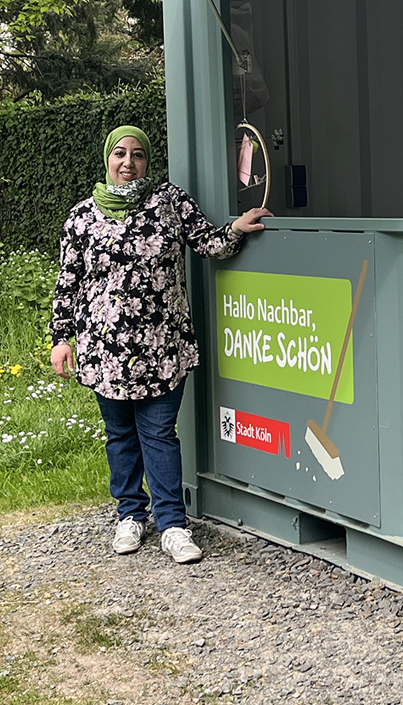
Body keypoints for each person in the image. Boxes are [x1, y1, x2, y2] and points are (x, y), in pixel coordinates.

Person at [49, 125, 270, 562]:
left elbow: (209, 242)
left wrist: (237, 229)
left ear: (147, 161)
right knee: (120, 435)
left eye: (137, 155)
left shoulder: (169, 202)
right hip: (104, 348)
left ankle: (172, 524)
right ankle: (130, 515)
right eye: (119, 154)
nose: (128, 163)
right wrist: (61, 338)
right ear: (107, 160)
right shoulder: (81, 217)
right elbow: (68, 283)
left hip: (162, 345)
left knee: (158, 434)